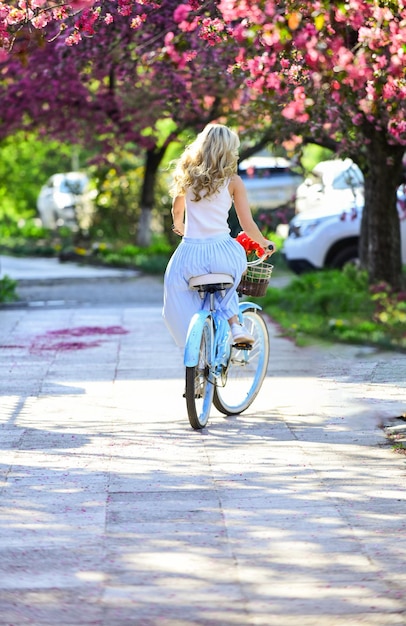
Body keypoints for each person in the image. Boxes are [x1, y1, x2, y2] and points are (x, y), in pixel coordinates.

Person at [162, 123, 276, 348]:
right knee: (231, 281)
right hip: (222, 252)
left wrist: (181, 227)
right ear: (229, 150)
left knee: (175, 293)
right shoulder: (233, 181)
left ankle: (195, 345)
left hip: (189, 256)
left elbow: (177, 212)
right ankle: (235, 325)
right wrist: (263, 243)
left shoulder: (187, 176)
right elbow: (247, 224)